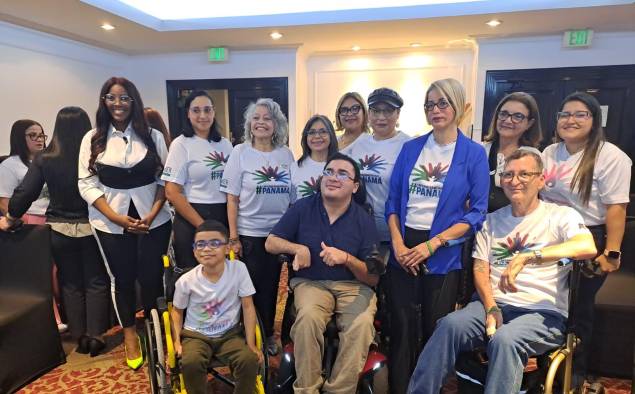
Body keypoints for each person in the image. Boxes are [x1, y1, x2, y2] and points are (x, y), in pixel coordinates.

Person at [407, 149, 597, 394]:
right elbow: (480, 268)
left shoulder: (561, 215)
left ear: (541, 180)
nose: (514, 180)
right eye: (508, 174)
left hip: (542, 312)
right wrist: (490, 307)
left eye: (524, 174)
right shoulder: (491, 221)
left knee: (505, 340)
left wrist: (529, 256)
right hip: (492, 304)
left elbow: (587, 246)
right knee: (449, 326)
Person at [384, 78, 489, 393]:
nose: (435, 109)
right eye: (430, 104)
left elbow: (477, 213)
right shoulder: (411, 147)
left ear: (458, 106)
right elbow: (392, 202)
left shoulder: (473, 153)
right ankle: (400, 387)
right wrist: (399, 245)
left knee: (435, 328)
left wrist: (433, 244)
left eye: (443, 102)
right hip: (404, 246)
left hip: (442, 251)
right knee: (401, 326)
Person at [265, 152, 380, 393]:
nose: (333, 177)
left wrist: (347, 259)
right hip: (311, 283)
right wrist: (298, 248)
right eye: (329, 171)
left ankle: (338, 390)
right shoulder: (303, 207)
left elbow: (372, 277)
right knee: (308, 319)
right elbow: (271, 242)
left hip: (354, 287)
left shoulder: (364, 219)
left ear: (355, 185)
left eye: (342, 173)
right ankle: (307, 389)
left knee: (361, 325)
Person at [78, 76, 172, 370]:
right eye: (111, 97)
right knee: (124, 278)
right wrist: (117, 217)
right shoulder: (92, 137)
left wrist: (154, 213)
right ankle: (131, 334)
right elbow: (86, 183)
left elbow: (164, 179)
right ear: (104, 101)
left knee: (153, 277)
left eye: (124, 98)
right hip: (110, 221)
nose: (118, 104)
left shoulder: (153, 136)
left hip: (153, 219)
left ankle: (159, 328)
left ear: (134, 102)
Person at [0, 107, 110, 356]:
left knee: (70, 283)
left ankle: (80, 336)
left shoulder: (45, 158)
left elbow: (24, 193)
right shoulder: (96, 155)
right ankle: (96, 335)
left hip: (58, 229)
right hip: (92, 226)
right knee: (96, 281)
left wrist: (11, 216)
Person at [540, 91, 631, 388]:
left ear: (595, 120)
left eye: (581, 114)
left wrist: (612, 253)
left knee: (580, 308)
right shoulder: (550, 153)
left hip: (589, 238)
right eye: (565, 114)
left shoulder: (611, 156)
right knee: (551, 301)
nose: (571, 120)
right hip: (551, 235)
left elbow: (617, 208)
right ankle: (547, 365)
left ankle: (575, 373)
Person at [220, 98, 294, 355]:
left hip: (279, 234)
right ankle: (253, 335)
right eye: (257, 118)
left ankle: (269, 336)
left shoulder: (285, 153)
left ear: (277, 125)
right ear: (249, 124)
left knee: (274, 287)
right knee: (250, 287)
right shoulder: (240, 152)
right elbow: (232, 197)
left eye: (268, 118)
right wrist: (233, 237)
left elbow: (293, 194)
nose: (261, 122)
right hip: (250, 233)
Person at [172, 220, 262, 394]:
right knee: (190, 362)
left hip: (230, 334)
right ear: (194, 250)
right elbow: (177, 312)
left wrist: (251, 344)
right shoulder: (186, 281)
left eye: (214, 243)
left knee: (249, 360)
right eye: (200, 244)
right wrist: (176, 342)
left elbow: (248, 307)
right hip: (196, 335)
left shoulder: (239, 269)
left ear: (227, 248)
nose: (207, 249)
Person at [163, 91, 233, 269]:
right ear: (188, 113)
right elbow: (172, 192)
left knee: (223, 275)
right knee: (194, 279)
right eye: (196, 110)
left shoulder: (225, 144)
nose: (203, 115)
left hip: (222, 215)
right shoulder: (181, 144)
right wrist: (203, 227)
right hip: (192, 218)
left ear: (213, 112)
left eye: (207, 110)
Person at [348, 87, 410, 242]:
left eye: (388, 111)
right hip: (360, 229)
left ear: (398, 114)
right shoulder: (360, 142)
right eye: (376, 111)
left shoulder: (408, 145)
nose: (381, 117)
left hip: (394, 233)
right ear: (369, 114)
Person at [482, 92, 543, 212]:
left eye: (518, 116)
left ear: (529, 123)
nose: (508, 120)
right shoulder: (481, 151)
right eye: (503, 114)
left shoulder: (533, 156)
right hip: (480, 223)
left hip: (515, 224)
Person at [0, 119, 48, 218]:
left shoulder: (50, 162)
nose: (39, 139)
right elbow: (4, 204)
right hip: (27, 220)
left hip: (53, 218)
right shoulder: (9, 165)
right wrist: (19, 223)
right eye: (33, 135)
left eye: (41, 135)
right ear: (20, 138)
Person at [290, 114, 338, 203]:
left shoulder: (341, 165)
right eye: (312, 132)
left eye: (323, 132)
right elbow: (292, 203)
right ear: (306, 137)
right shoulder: (295, 167)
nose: (317, 136)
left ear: (331, 136)